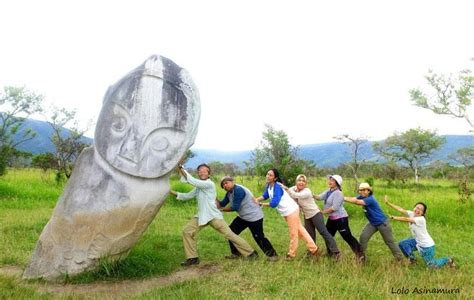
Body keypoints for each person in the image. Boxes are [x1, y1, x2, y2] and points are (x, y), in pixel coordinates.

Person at [170, 163, 257, 266]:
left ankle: (251, 253)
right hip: (202, 216)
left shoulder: (209, 184)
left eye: (204, 170)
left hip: (213, 216)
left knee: (229, 235)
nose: (201, 172)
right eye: (200, 171)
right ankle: (192, 258)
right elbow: (186, 196)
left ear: (209, 173)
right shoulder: (199, 188)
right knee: (187, 231)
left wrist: (180, 167)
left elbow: (192, 181)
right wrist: (169, 191)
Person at [254, 168, 319, 260]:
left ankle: (291, 255)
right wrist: (256, 199)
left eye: (270, 175)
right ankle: (314, 249)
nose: (268, 176)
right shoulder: (269, 186)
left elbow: (274, 203)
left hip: (291, 211)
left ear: (275, 178)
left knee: (293, 233)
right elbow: (265, 195)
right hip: (287, 211)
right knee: (300, 230)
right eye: (267, 174)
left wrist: (261, 204)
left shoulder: (277, 187)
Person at [216, 176, 278, 260]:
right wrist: (213, 196)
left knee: (258, 236)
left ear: (232, 182)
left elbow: (235, 207)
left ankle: (273, 256)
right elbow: (222, 204)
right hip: (243, 217)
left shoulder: (238, 190)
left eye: (226, 183)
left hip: (254, 216)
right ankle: (236, 253)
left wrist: (221, 210)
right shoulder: (229, 193)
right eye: (223, 185)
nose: (225, 185)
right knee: (230, 232)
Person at [280, 174, 340, 259]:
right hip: (307, 216)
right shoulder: (293, 189)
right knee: (310, 234)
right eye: (299, 180)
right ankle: (312, 252)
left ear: (306, 183)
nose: (301, 182)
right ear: (296, 182)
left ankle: (335, 252)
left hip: (315, 214)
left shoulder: (307, 191)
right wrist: (281, 187)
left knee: (323, 232)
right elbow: (286, 191)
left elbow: (296, 195)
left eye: (303, 181)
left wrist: (287, 189)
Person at [384, 196, 455, 268]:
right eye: (417, 207)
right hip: (417, 241)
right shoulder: (412, 214)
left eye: (420, 210)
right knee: (403, 244)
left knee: (431, 265)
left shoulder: (421, 219)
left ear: (422, 213)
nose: (418, 210)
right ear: (414, 207)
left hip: (427, 246)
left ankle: (448, 260)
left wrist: (393, 217)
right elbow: (401, 209)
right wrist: (388, 203)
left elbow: (406, 219)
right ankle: (412, 260)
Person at [344, 183, 403, 262]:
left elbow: (357, 202)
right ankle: (361, 258)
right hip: (373, 223)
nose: (364, 191)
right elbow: (353, 198)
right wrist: (341, 197)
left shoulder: (370, 199)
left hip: (382, 223)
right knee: (363, 237)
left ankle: (400, 259)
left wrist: (342, 197)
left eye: (366, 190)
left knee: (389, 242)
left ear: (369, 191)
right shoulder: (362, 197)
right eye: (362, 190)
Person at [314, 175, 364, 260]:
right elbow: (319, 197)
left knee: (347, 237)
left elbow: (334, 208)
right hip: (332, 219)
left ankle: (361, 256)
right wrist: (309, 194)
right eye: (330, 179)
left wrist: (322, 212)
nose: (330, 181)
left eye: (333, 180)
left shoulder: (338, 193)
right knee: (328, 236)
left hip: (340, 219)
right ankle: (331, 254)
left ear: (337, 183)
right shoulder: (328, 191)